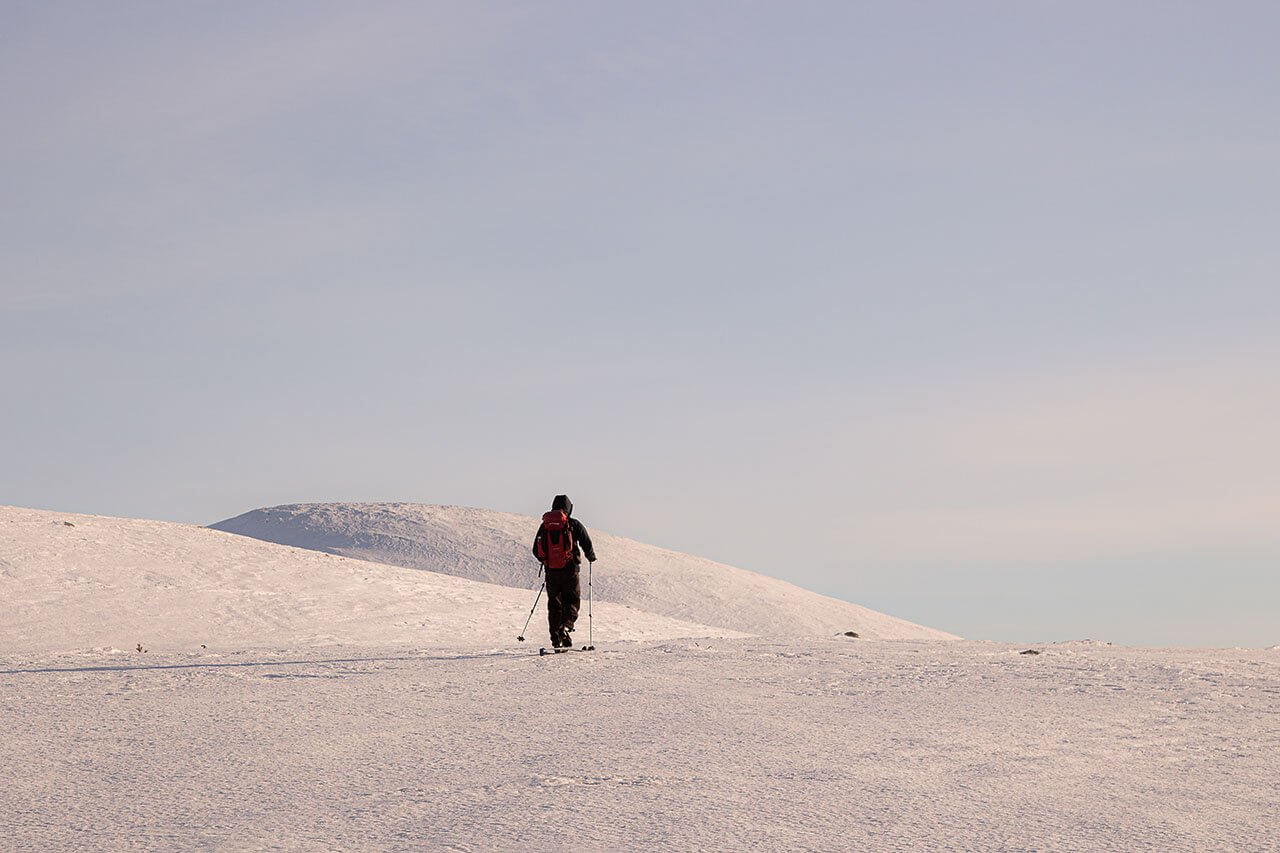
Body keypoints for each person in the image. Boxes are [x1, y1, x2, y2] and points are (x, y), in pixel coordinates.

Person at [531, 494, 596, 648]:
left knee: (554, 605)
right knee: (572, 601)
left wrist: (546, 562)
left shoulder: (545, 525)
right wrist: (591, 556)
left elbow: (536, 549)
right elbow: (586, 541)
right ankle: (566, 627)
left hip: (552, 572)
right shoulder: (573, 524)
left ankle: (556, 638)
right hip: (570, 571)